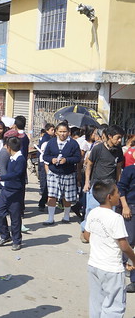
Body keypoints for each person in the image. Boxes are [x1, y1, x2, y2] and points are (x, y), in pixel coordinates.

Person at [84, 180, 135, 317]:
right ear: (109, 197)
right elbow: (124, 245)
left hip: (94, 265)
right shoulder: (116, 218)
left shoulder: (93, 213)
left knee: (96, 302)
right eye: (117, 192)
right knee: (114, 307)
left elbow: (86, 236)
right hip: (112, 269)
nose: (119, 195)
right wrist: (133, 260)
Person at [82, 125, 125, 234]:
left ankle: (105, 233)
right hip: (96, 185)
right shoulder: (98, 148)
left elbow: (118, 168)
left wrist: (118, 185)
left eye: (121, 138)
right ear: (110, 136)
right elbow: (89, 165)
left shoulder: (118, 150)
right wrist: (87, 182)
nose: (120, 140)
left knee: (110, 212)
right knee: (92, 210)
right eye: (118, 137)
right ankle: (86, 232)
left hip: (111, 186)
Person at [0, 136, 26, 251]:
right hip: (7, 190)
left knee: (15, 217)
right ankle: (5, 236)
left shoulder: (20, 159)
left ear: (9, 147)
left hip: (15, 192)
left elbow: (16, 174)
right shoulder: (11, 158)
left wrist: (0, 178)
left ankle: (17, 240)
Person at [42, 122, 82, 225]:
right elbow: (45, 156)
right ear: (56, 132)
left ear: (68, 132)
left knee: (66, 196)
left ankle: (66, 216)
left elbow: (78, 158)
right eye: (60, 131)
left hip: (68, 173)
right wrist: (52, 159)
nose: (62, 134)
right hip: (54, 172)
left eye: (65, 131)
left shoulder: (73, 143)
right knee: (51, 195)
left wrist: (67, 160)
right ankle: (50, 218)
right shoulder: (51, 143)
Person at [118, 163, 135, 293]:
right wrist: (125, 206)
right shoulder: (130, 170)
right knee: (128, 242)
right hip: (131, 209)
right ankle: (121, 268)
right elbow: (121, 189)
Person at [38, 124, 55, 211]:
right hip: (46, 163)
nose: (54, 132)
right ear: (47, 130)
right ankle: (43, 203)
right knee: (47, 184)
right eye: (52, 130)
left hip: (50, 163)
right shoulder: (47, 140)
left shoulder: (50, 139)